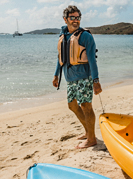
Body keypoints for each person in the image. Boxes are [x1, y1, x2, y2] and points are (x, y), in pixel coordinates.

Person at [52, 5, 102, 149]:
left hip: (84, 77)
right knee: (72, 105)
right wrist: (56, 75)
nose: (75, 20)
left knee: (86, 106)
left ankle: (91, 139)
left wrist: (96, 81)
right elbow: (60, 57)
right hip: (69, 78)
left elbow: (92, 59)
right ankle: (88, 131)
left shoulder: (85, 36)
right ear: (65, 19)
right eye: (72, 18)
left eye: (78, 18)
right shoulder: (63, 36)